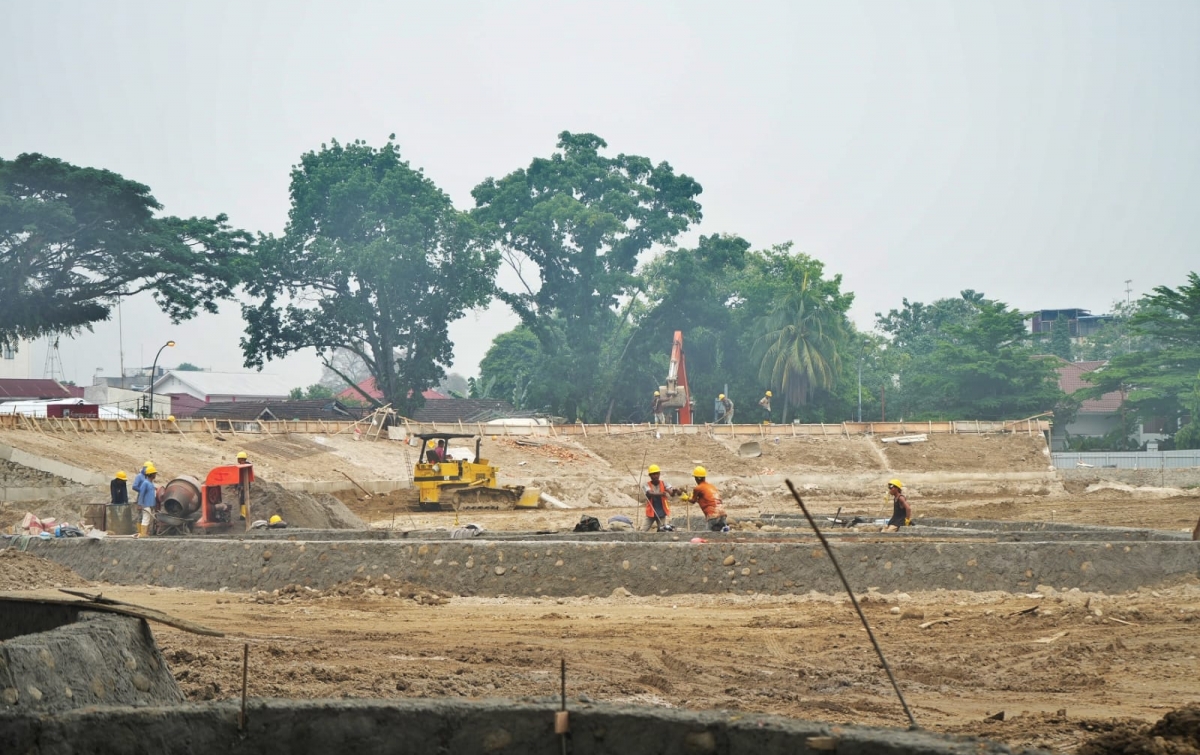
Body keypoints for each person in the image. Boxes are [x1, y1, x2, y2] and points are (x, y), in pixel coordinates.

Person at [689, 466, 728, 532]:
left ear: (697, 478)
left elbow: (693, 501)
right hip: (722, 514)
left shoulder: (698, 488)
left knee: (708, 535)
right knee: (722, 535)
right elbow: (708, 500)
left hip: (713, 515)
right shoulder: (711, 486)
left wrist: (686, 498)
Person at [642, 464, 678, 531]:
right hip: (651, 512)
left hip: (661, 512)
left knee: (663, 531)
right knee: (643, 531)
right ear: (650, 475)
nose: (655, 476)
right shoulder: (646, 485)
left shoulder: (664, 483)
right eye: (653, 474)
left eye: (657, 474)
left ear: (659, 474)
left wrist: (674, 492)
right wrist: (661, 493)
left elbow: (671, 493)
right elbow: (650, 493)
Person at [132, 463, 159, 537]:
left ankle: (145, 533)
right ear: (151, 474)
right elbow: (141, 494)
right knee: (145, 518)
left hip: (150, 504)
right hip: (146, 504)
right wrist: (140, 504)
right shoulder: (145, 483)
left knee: (147, 518)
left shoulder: (150, 483)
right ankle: (143, 534)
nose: (155, 475)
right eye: (154, 474)